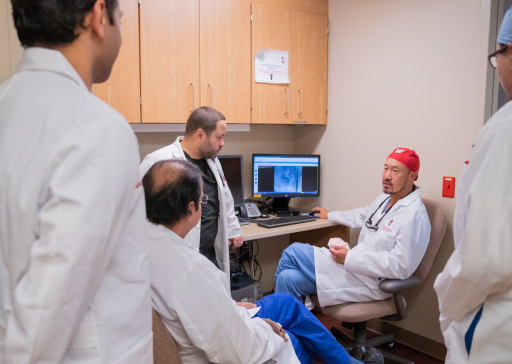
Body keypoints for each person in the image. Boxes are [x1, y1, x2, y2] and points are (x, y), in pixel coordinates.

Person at [0, 0, 152, 362]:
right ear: (99, 16)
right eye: (121, 19)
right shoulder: (99, 129)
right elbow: (46, 312)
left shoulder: (3, 105)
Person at [142, 159, 384, 364]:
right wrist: (267, 327)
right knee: (295, 337)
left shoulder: (142, 245)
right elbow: (238, 350)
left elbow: (196, 307)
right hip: (230, 347)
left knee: (286, 300)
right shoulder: (193, 270)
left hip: (217, 327)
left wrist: (233, 307)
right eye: (203, 200)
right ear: (192, 207)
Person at [434, 9, 512, 363]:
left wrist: (447, 307)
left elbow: (481, 261)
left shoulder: (505, 130)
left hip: (494, 329)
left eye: (498, 56)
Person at [275, 148, 431, 307]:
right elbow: (364, 215)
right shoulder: (385, 198)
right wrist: (330, 215)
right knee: (287, 278)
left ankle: (272, 324)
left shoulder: (414, 216)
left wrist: (349, 258)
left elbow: (401, 267)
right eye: (386, 168)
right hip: (355, 269)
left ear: (412, 176)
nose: (387, 176)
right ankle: (290, 327)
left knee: (292, 251)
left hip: (371, 282)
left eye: (395, 171)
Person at [139, 106, 242, 273]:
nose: (223, 143)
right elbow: (137, 209)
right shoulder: (158, 161)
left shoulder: (212, 160)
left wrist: (233, 229)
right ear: (200, 135)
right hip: (174, 257)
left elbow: (225, 196)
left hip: (209, 255)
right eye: (219, 137)